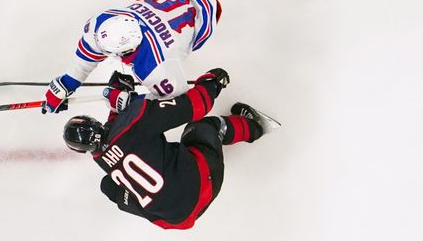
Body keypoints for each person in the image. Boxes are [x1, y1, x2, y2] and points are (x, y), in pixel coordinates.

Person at [62, 69, 279, 230]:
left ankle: (169, 197)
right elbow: (194, 106)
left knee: (109, 186)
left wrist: (118, 100)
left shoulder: (101, 158)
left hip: (177, 220)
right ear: (95, 123)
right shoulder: (136, 122)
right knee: (201, 128)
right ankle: (256, 126)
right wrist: (212, 83)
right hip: (202, 186)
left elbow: (117, 133)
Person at [42, 0, 222, 113]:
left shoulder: (157, 66)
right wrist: (67, 83)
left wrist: (129, 102)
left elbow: (178, 106)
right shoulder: (102, 22)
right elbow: (90, 48)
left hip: (206, 11)